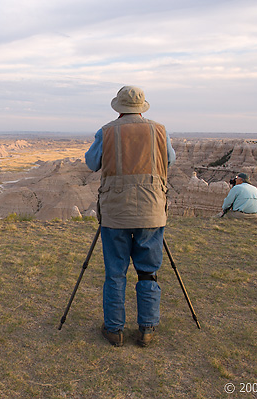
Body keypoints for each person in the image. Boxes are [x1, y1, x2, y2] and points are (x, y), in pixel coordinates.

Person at [85, 86, 176, 347]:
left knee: (115, 272)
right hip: (152, 210)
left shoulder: (107, 131)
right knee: (148, 272)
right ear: (142, 106)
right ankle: (147, 328)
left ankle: (114, 330)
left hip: (115, 213)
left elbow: (92, 163)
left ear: (119, 107)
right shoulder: (159, 130)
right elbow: (170, 159)